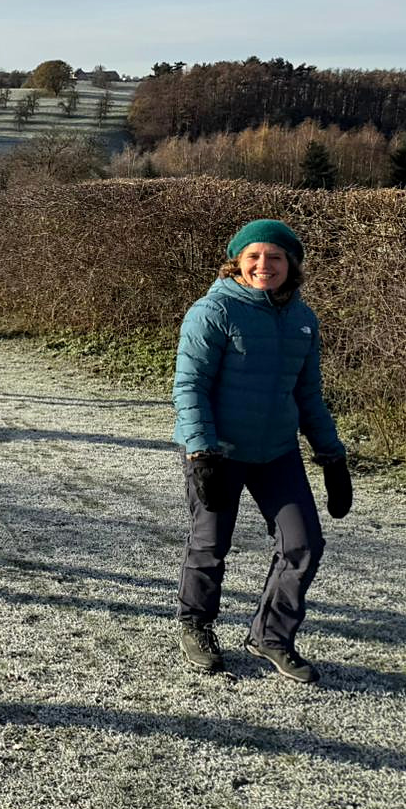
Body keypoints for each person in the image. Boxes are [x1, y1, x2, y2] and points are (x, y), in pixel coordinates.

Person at [172, 220, 352, 684]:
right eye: (254, 256)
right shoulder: (213, 311)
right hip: (218, 451)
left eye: (275, 257)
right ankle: (196, 624)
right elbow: (190, 387)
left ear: (291, 265)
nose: (264, 266)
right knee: (210, 543)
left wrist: (332, 457)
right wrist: (201, 452)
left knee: (304, 544)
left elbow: (309, 396)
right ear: (238, 260)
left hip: (276, 452)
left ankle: (271, 635)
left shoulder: (302, 320)